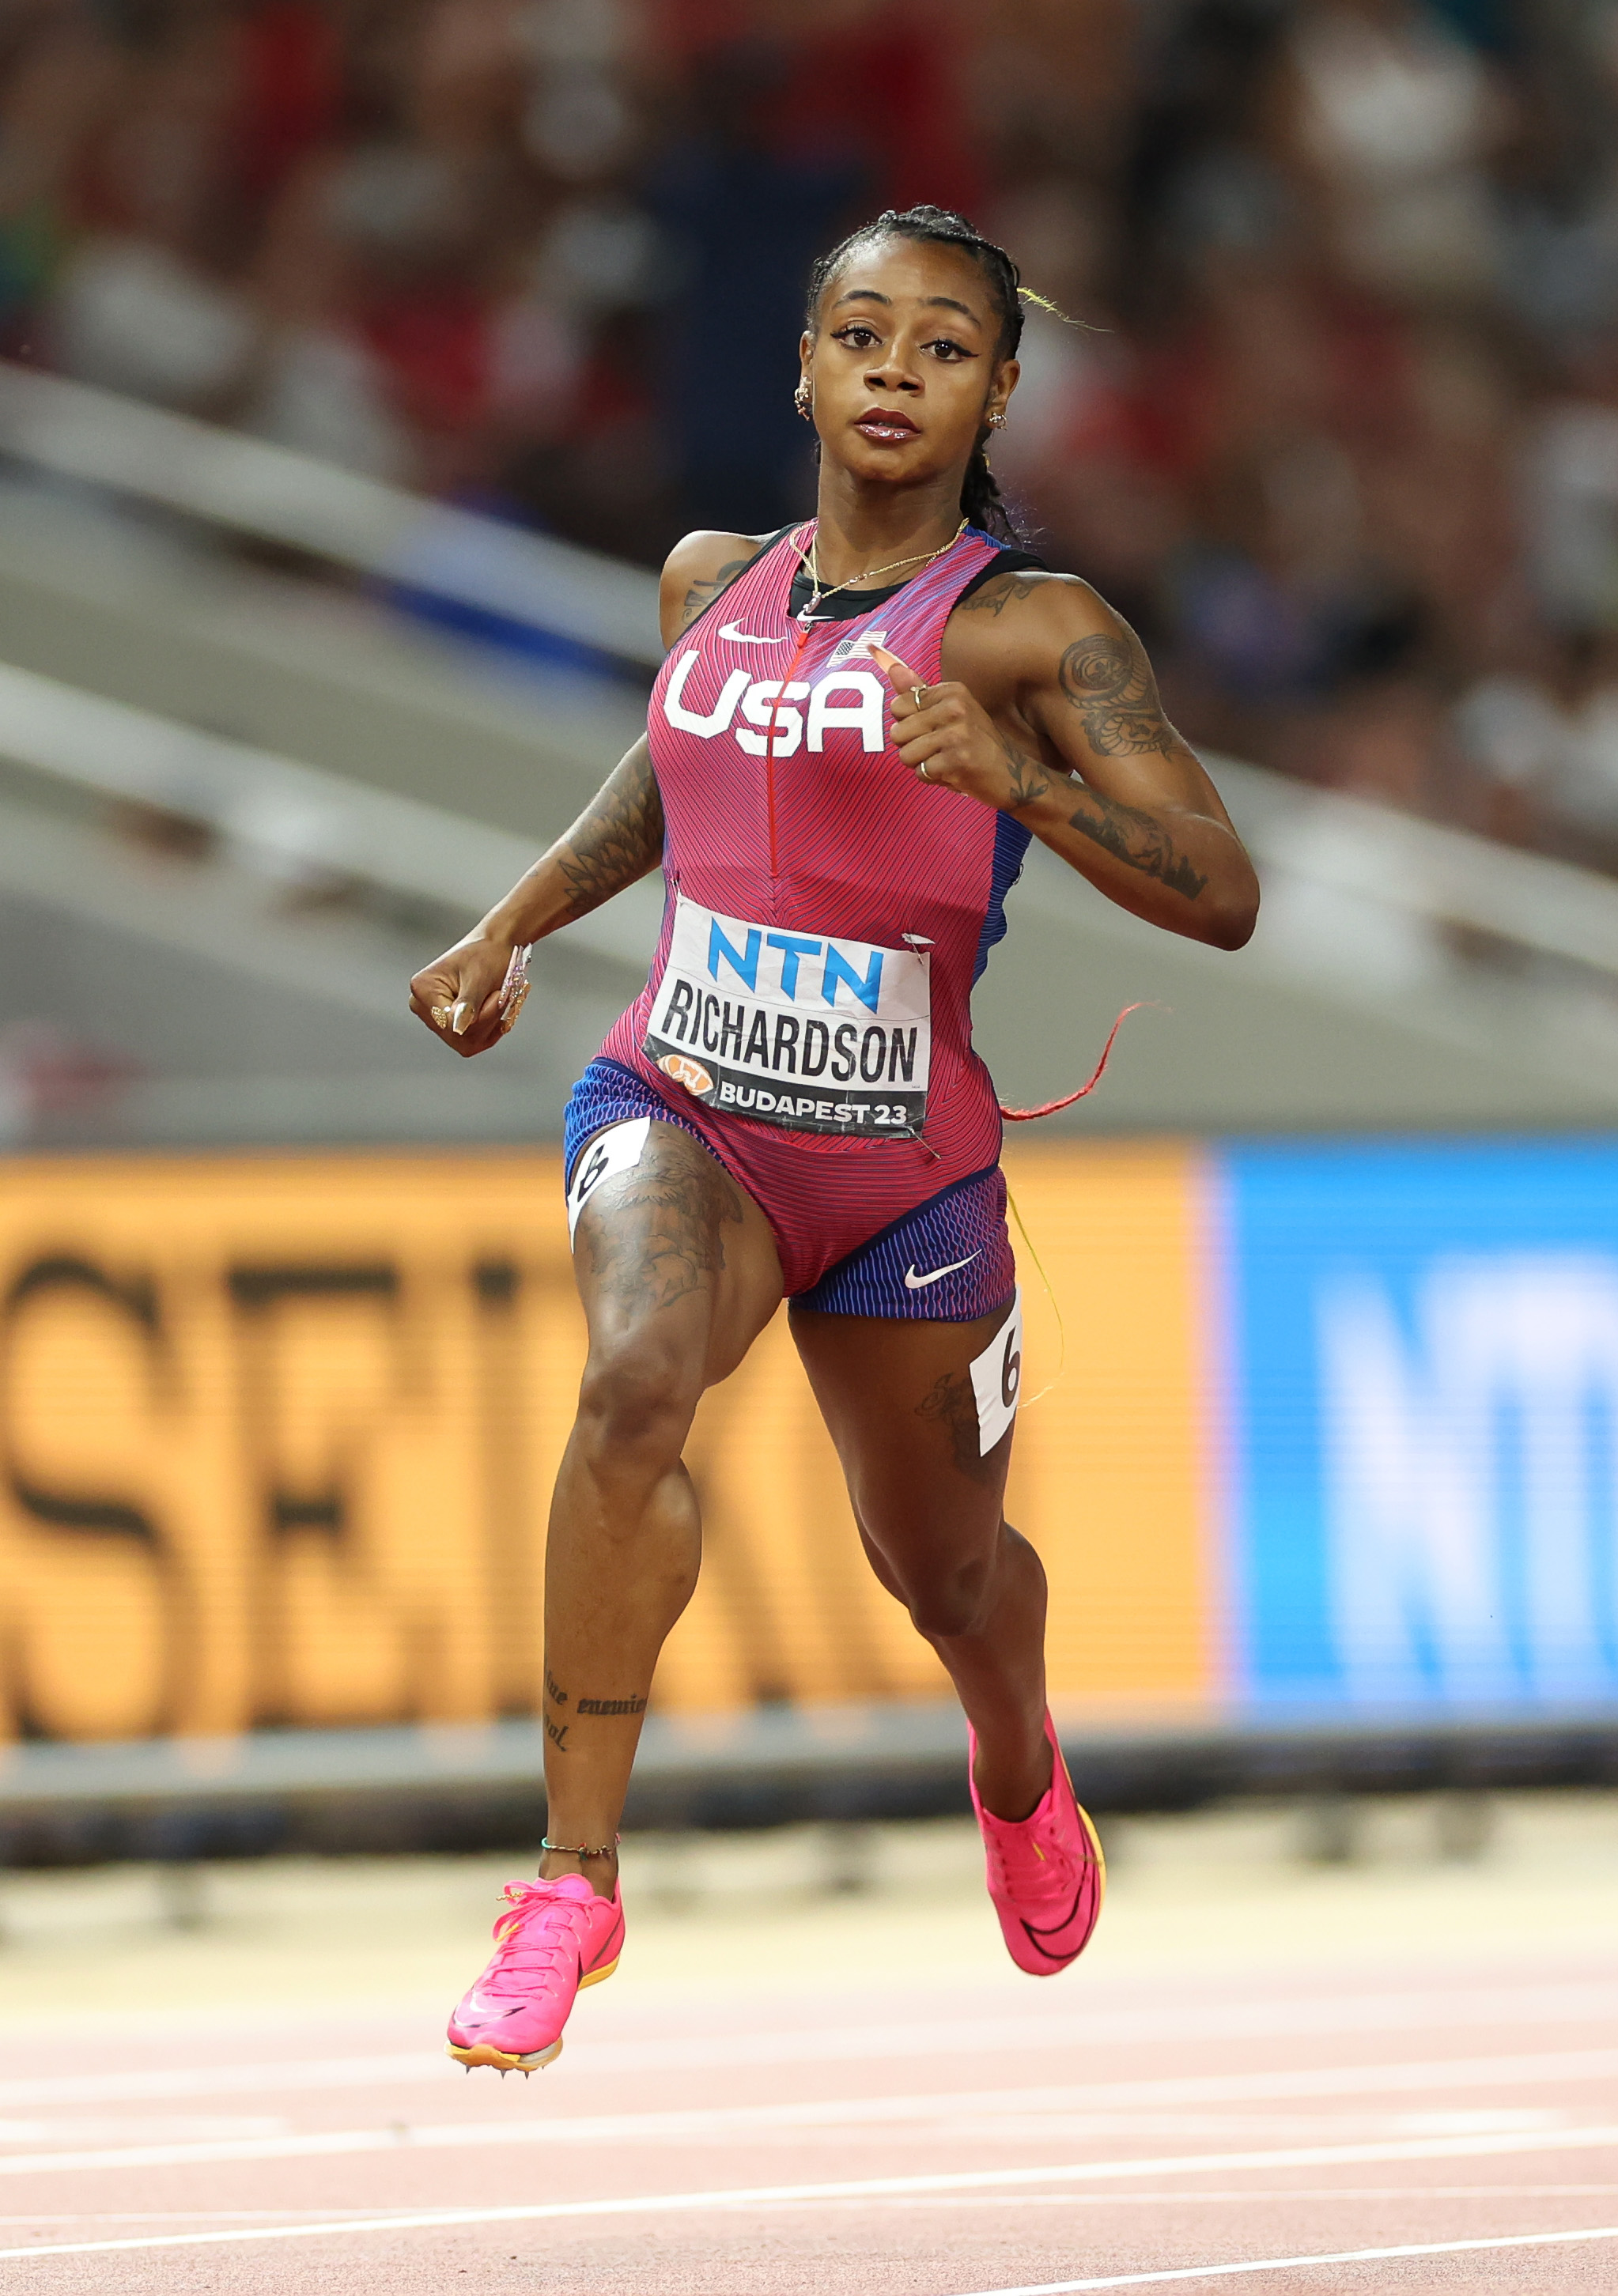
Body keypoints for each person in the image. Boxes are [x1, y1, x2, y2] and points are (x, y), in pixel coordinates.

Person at [406, 205, 1259, 2073]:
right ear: (802, 366)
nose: (895, 371)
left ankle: (1020, 1770)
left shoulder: (1038, 631)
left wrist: (1019, 774)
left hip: (904, 1178)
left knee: (943, 1573)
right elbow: (671, 773)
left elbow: (1223, 889)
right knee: (633, 1387)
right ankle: (568, 1886)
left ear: (997, 393)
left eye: (943, 347)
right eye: (861, 335)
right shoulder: (708, 581)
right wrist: (515, 922)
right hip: (682, 1101)